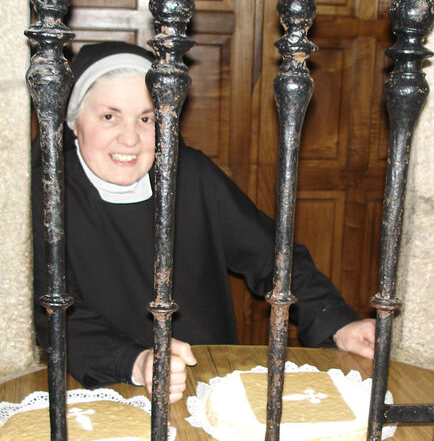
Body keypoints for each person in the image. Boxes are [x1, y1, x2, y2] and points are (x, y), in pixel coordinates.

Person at [32, 42, 375, 403]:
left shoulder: (190, 174)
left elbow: (272, 257)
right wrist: (134, 361)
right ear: (73, 123)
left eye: (147, 118)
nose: (130, 138)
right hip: (100, 385)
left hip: (208, 377)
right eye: (109, 117)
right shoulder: (46, 192)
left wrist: (337, 323)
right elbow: (49, 312)